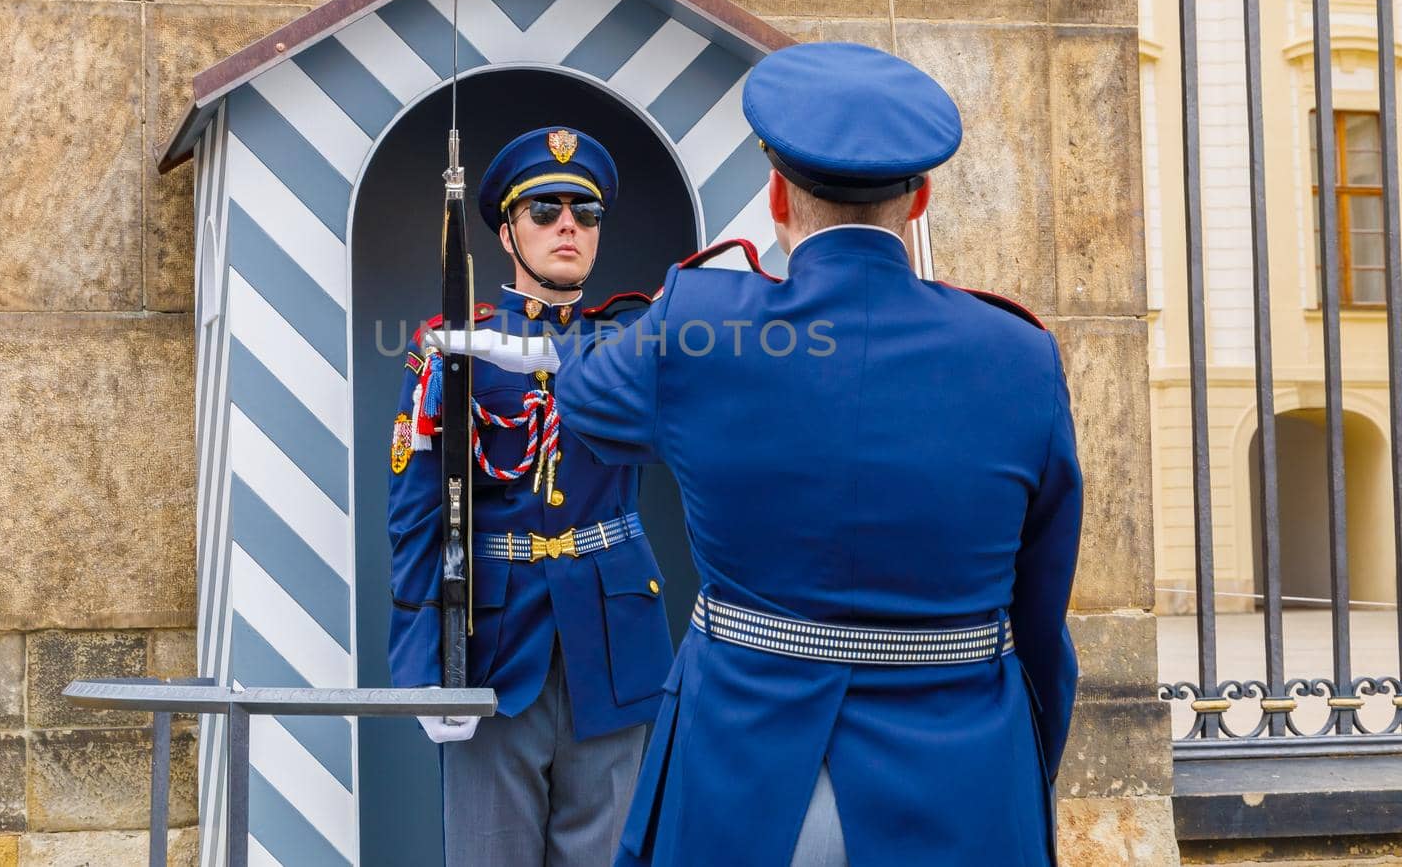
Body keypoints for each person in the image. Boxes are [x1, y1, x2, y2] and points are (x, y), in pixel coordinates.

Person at [543, 43, 1084, 865]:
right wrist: (1023, 764)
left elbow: (580, 398)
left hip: (741, 778)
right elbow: (1041, 618)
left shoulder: (702, 326)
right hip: (966, 784)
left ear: (775, 195)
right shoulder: (1020, 356)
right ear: (922, 199)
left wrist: (660, 322)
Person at [386, 126, 675, 866]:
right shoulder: (452, 348)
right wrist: (425, 666)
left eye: (585, 211)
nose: (568, 225)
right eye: (544, 210)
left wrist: (541, 353)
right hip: (492, 645)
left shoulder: (633, 338)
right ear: (508, 232)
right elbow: (420, 516)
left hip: (610, 644)